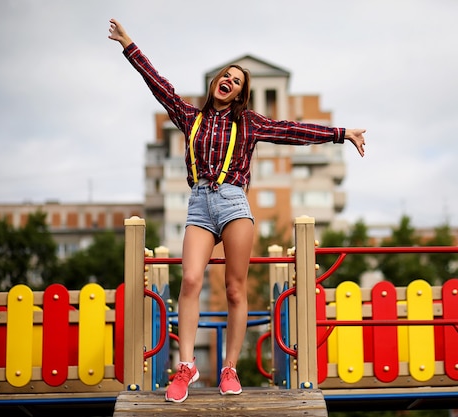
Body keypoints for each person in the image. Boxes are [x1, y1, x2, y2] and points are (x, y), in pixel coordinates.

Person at [108, 18, 366, 403]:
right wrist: (129, 44)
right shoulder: (189, 116)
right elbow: (157, 83)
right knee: (192, 279)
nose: (229, 81)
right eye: (225, 76)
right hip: (199, 204)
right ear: (216, 83)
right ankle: (187, 366)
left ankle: (229, 367)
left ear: (240, 94)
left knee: (234, 288)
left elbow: (291, 130)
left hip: (233, 203)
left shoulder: (248, 123)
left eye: (237, 81)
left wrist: (341, 134)